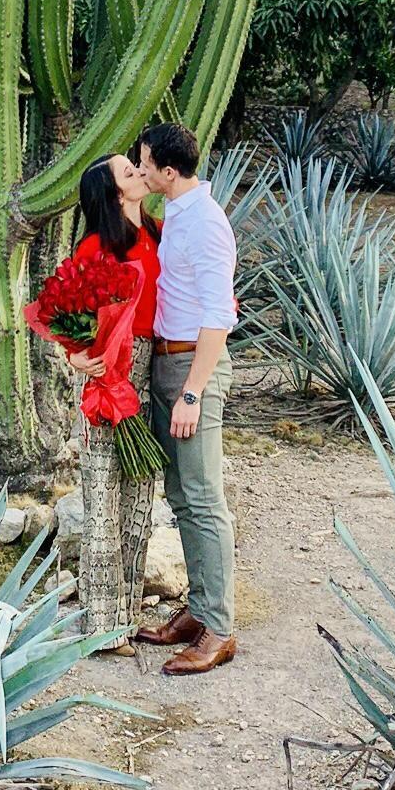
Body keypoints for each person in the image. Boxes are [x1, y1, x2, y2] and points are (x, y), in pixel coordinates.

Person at [132, 120, 239, 675]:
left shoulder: (207, 225)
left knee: (202, 497)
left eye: (146, 163)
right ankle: (198, 612)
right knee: (180, 492)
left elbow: (221, 316)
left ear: (169, 172)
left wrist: (193, 392)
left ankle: (219, 629)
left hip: (194, 366)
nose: (141, 169)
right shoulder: (177, 213)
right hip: (170, 362)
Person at [64, 153, 164, 648]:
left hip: (151, 376)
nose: (139, 172)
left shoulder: (156, 235)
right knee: (102, 500)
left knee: (139, 501)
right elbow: (64, 311)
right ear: (114, 194)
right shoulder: (96, 247)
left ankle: (126, 615)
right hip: (109, 382)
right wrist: (76, 357)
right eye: (129, 172)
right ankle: (101, 627)